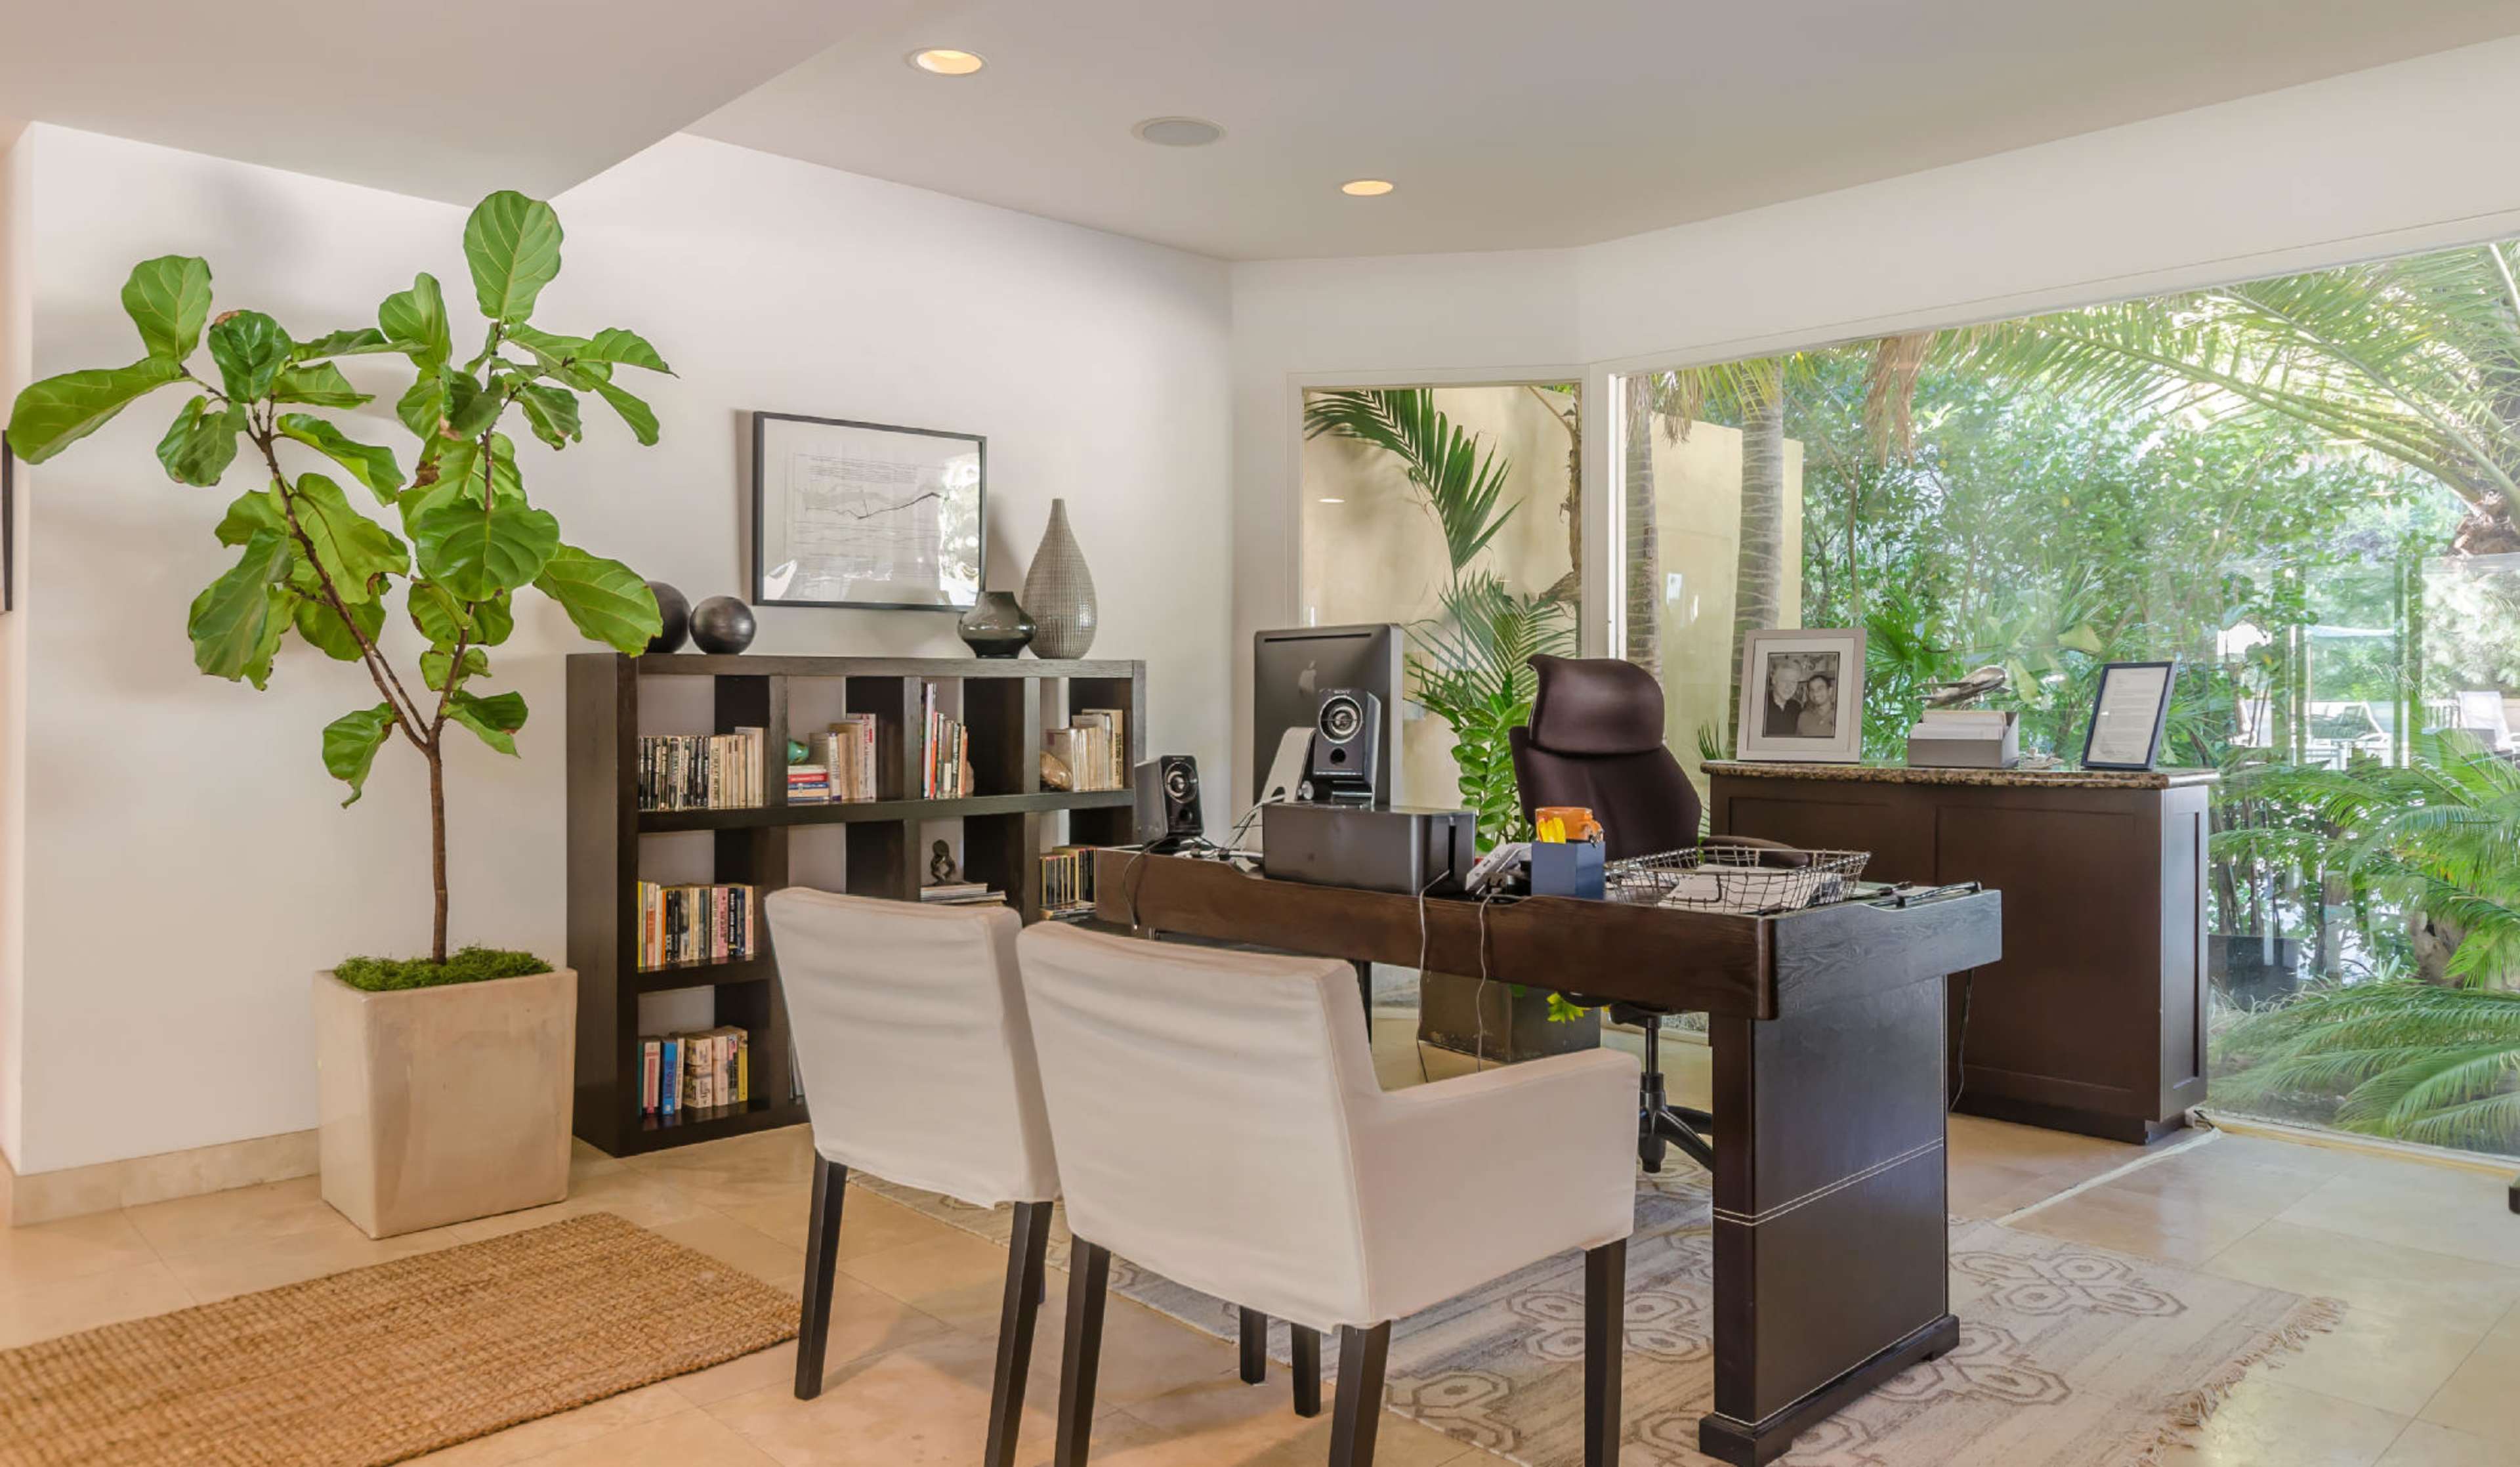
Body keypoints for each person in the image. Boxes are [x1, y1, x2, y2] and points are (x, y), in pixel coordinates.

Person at [1762, 656, 1807, 738]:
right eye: (1784, 681)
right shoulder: (1761, 705)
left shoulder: (1796, 707)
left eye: (1793, 682)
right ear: (1774, 680)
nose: (1789, 687)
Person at [1796, 671, 1838, 738]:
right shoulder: (1803, 717)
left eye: (1820, 689)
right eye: (1812, 690)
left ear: (1830, 691)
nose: (1815, 693)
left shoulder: (1840, 716)